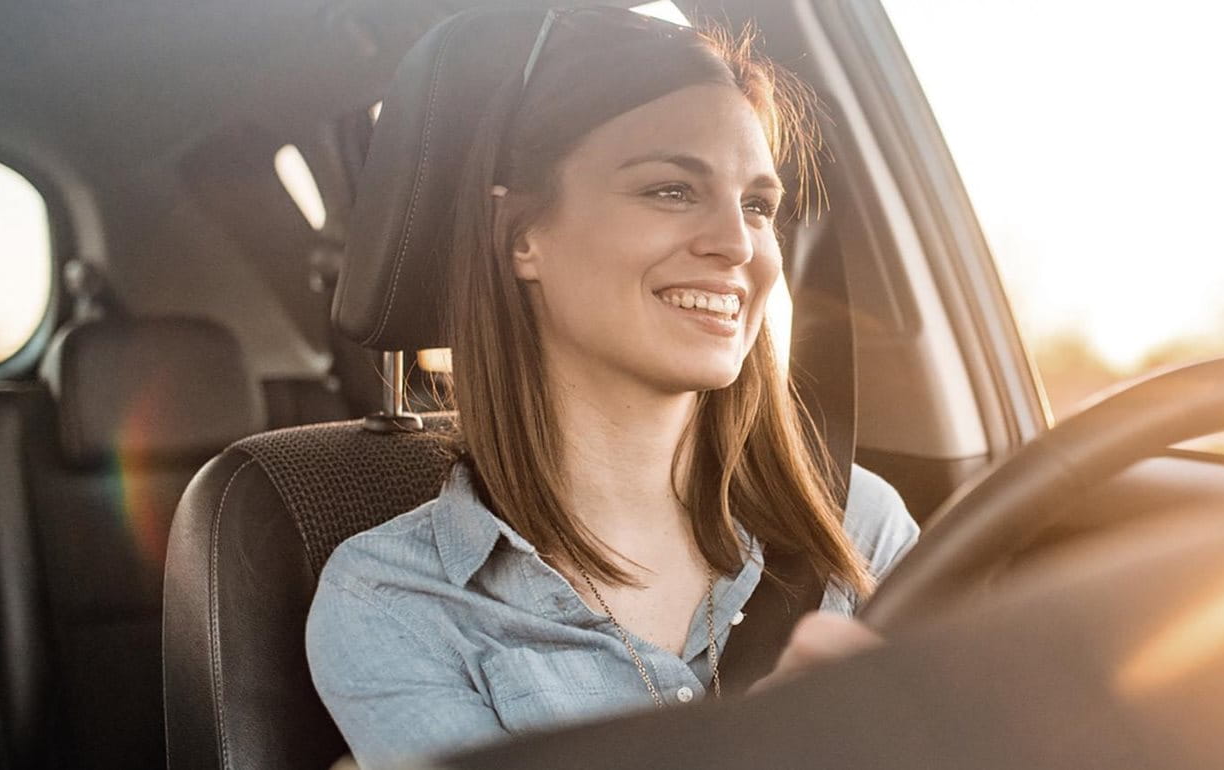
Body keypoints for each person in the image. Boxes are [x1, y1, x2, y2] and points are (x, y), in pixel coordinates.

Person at [305, 7, 919, 765]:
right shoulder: (396, 601)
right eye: (670, 190)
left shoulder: (857, 524)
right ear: (522, 234)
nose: (737, 245)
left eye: (758, 206)